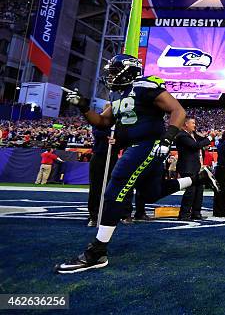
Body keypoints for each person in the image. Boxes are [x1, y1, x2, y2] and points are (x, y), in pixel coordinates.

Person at [55, 54, 211, 274]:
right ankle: (197, 179)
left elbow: (178, 111)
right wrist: (83, 106)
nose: (109, 75)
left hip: (149, 144)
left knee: (114, 191)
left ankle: (97, 251)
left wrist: (167, 139)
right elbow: (102, 121)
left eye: (113, 70)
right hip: (135, 146)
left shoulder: (145, 86)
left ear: (128, 71)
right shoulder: (117, 93)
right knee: (150, 194)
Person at [176, 117, 217, 221]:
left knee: (199, 190)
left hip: (196, 167)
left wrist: (209, 136)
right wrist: (210, 138)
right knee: (191, 191)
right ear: (186, 124)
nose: (195, 125)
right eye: (193, 123)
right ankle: (184, 213)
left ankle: (196, 213)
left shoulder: (193, 135)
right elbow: (195, 146)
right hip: (187, 167)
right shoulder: (182, 135)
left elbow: (202, 141)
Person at [87, 126, 119, 227]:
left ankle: (107, 213)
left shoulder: (120, 121)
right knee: (95, 187)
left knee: (111, 186)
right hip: (98, 155)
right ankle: (94, 215)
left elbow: (127, 137)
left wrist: (118, 140)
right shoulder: (99, 121)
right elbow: (96, 132)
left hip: (112, 155)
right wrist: (109, 135)